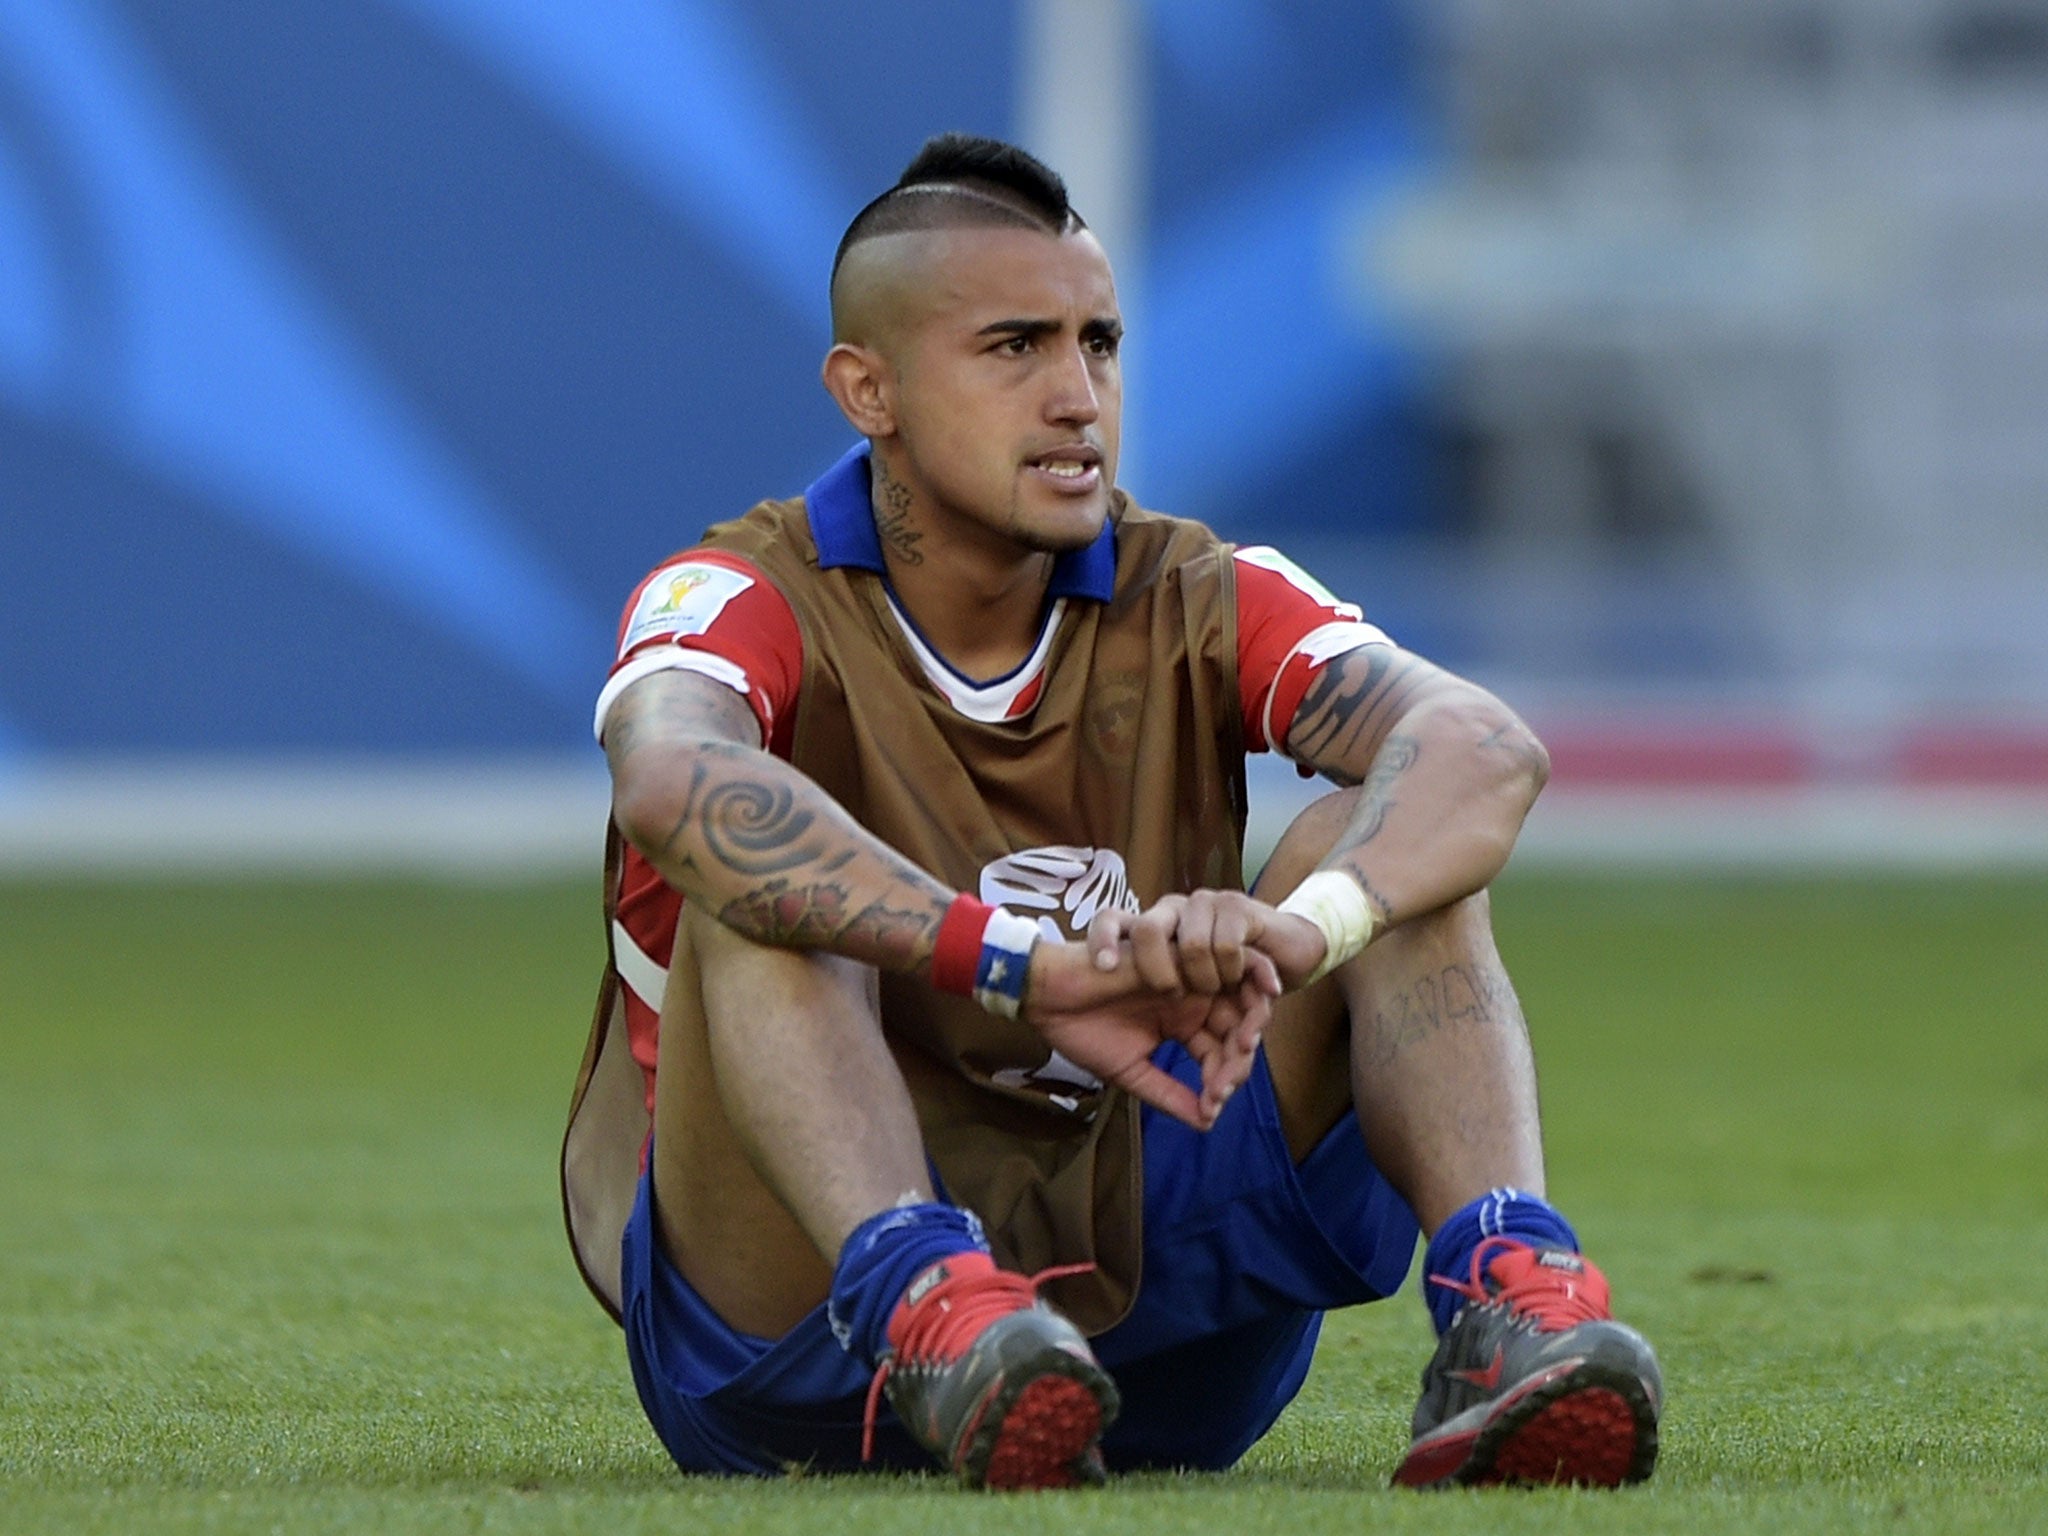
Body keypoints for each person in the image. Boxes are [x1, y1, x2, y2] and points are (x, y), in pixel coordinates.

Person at [561, 132, 1662, 1491]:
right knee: (766, 875)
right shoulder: (741, 597)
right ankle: (937, 1307)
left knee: (1389, 850)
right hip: (802, 1341)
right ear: (871, 389)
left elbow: (1482, 746)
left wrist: (1296, 933)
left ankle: (1513, 1300)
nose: (1078, 396)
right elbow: (673, 782)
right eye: (1014, 348)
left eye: (1100, 343)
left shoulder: (1200, 589)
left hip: (1151, 1313)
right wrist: (1014, 960)